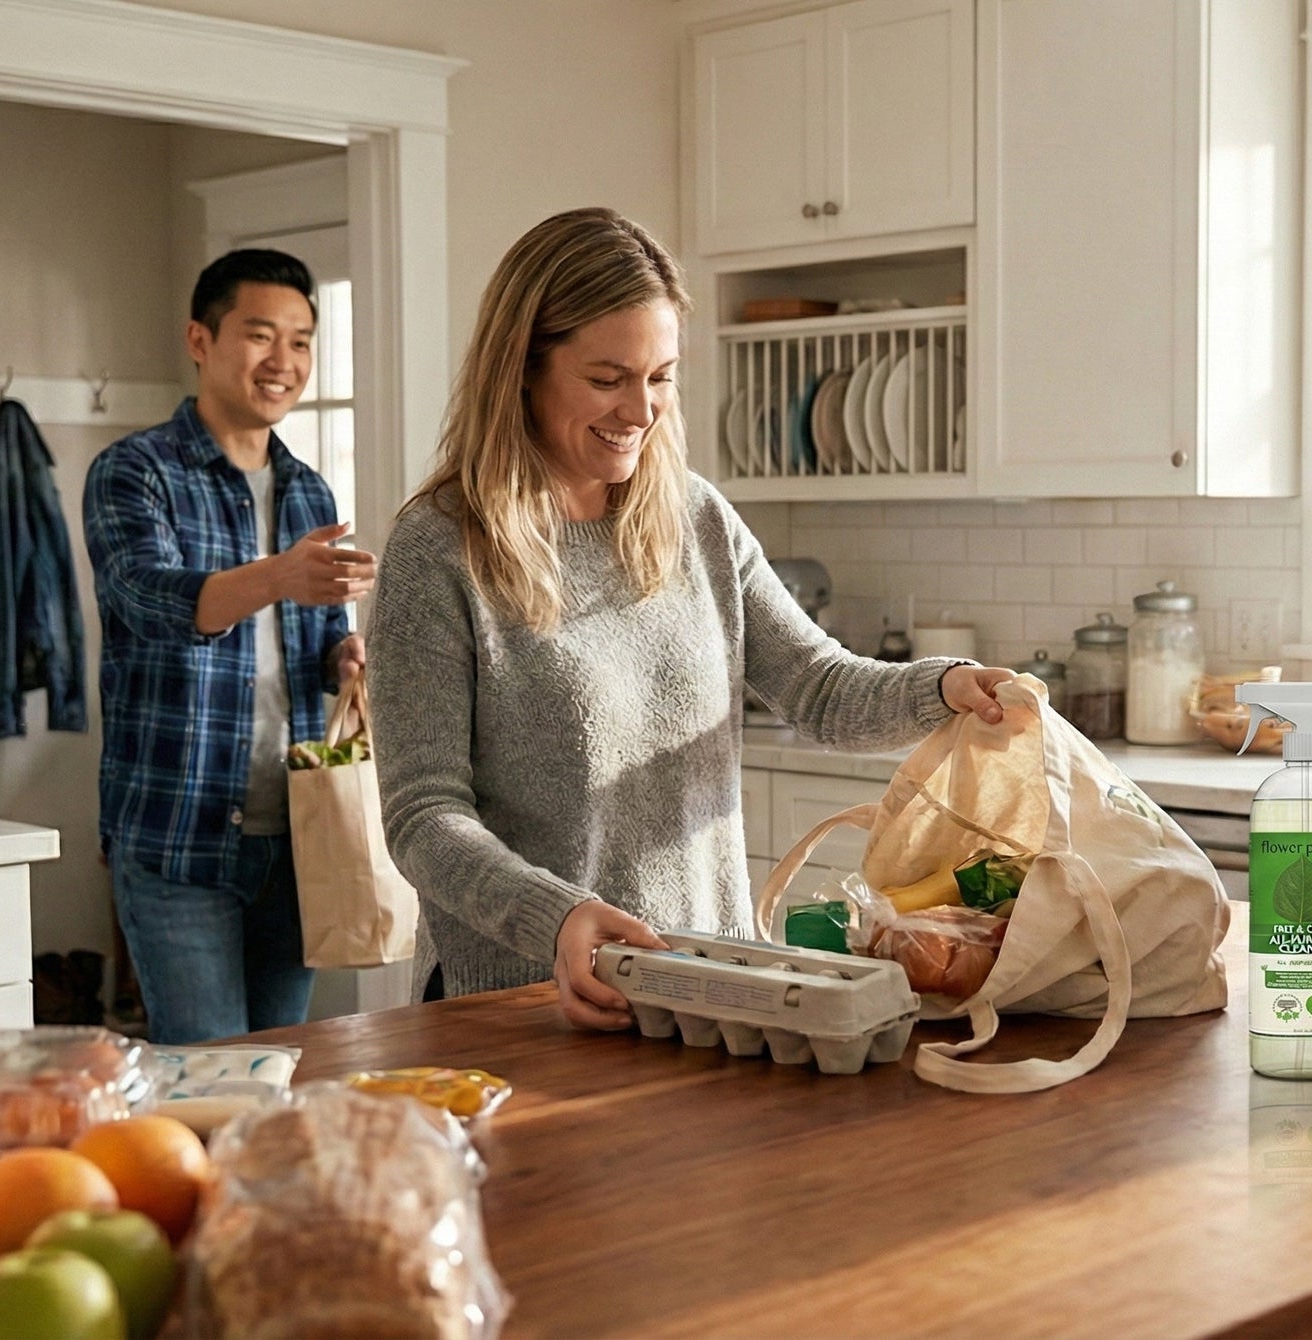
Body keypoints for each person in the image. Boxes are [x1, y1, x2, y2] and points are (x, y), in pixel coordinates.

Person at [369, 207, 1012, 1029]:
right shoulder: (439, 551)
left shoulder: (694, 520)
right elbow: (424, 818)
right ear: (521, 370)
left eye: (661, 376)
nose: (641, 409)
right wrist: (557, 917)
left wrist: (947, 687)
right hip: (528, 1001)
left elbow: (818, 686)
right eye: (608, 378)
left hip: (710, 988)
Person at [82, 248, 377, 1044]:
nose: (284, 362)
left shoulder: (309, 489)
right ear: (200, 339)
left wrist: (345, 658)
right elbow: (147, 604)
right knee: (208, 1076)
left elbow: (314, 645)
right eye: (260, 335)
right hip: (179, 837)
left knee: (279, 1069)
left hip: (300, 838)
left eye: (303, 341)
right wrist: (281, 575)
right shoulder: (134, 472)